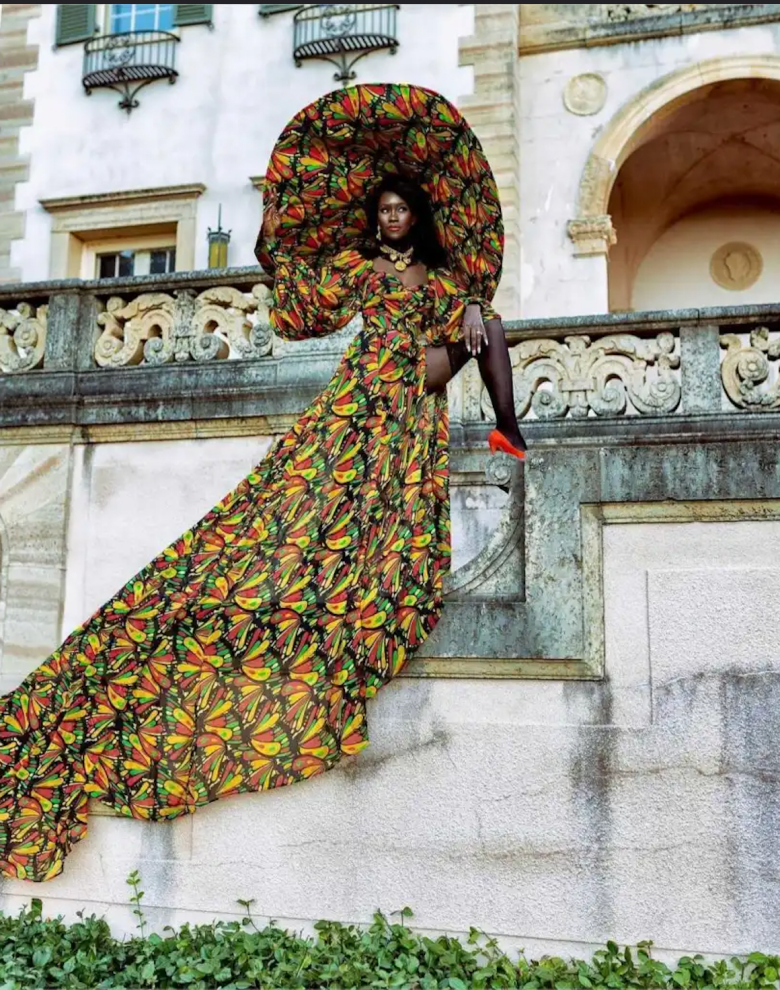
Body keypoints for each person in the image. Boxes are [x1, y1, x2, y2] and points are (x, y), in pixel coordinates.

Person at [0, 89, 525, 884]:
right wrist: (285, 237)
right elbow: (299, 308)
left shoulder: (449, 285)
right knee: (258, 538)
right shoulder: (356, 269)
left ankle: (509, 429)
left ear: (418, 213)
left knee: (388, 546)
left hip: (410, 421)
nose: (388, 218)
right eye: (379, 209)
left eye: (397, 209)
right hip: (357, 409)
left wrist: (471, 334)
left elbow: (461, 345)